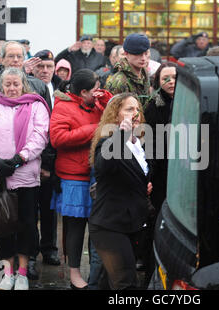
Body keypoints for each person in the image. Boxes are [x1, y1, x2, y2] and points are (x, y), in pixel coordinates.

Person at [0, 67, 50, 290]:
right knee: (3, 225)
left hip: (25, 174)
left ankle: (23, 273)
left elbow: (40, 135)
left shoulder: (35, 106)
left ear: (23, 84)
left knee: (26, 224)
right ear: (1, 86)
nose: (12, 88)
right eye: (7, 84)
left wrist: (19, 159)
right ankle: (7, 274)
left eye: (16, 84)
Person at [49, 69, 112, 289]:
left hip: (98, 173)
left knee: (97, 226)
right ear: (83, 92)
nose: (98, 92)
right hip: (74, 176)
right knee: (75, 227)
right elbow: (58, 138)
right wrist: (94, 130)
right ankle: (74, 273)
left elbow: (114, 115)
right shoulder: (63, 106)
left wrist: (105, 98)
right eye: (95, 89)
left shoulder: (96, 103)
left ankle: (97, 273)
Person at [89, 92, 153, 290]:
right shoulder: (108, 141)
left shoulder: (139, 145)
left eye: (137, 109)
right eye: (129, 109)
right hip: (110, 225)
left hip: (132, 224)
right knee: (126, 284)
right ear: (116, 115)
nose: (135, 114)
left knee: (108, 284)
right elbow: (102, 166)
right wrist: (121, 135)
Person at [142, 62, 177, 286]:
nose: (171, 81)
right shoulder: (154, 106)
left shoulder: (191, 101)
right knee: (157, 224)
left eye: (174, 77)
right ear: (158, 82)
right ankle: (152, 272)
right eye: (166, 78)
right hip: (162, 172)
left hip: (184, 171)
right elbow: (151, 145)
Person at [30, 49, 61, 267]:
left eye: (49, 67)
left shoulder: (61, 90)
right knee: (31, 210)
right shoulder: (28, 87)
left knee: (49, 209)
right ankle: (30, 252)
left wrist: (48, 164)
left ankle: (49, 249)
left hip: (52, 161)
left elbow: (55, 130)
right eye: (40, 67)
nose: (45, 71)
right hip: (31, 160)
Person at [105, 33, 151, 108]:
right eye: (138, 54)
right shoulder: (119, 81)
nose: (143, 58)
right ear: (126, 54)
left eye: (146, 53)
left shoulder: (143, 73)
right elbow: (113, 113)